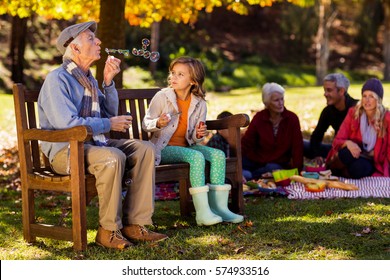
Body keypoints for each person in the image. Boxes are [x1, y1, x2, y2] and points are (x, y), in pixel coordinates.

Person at [37, 21, 167, 249]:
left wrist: (107, 82)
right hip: (64, 151)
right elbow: (66, 124)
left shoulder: (88, 80)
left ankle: (136, 224)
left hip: (94, 144)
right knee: (112, 156)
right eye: (90, 38)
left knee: (145, 149)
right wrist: (108, 123)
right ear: (75, 48)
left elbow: (108, 114)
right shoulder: (57, 79)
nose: (98, 41)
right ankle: (108, 230)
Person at [142, 56, 244, 226]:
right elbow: (146, 124)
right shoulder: (162, 97)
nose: (173, 77)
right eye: (173, 73)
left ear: (193, 81)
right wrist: (158, 123)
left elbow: (196, 137)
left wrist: (198, 133)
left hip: (187, 147)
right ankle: (203, 213)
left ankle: (219, 209)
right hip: (164, 148)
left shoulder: (200, 103)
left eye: (180, 74)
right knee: (196, 158)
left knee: (218, 155)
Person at [326, 78, 390, 179]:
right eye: (364, 96)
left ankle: (339, 172)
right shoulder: (353, 113)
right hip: (353, 153)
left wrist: (375, 154)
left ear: (378, 100)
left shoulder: (386, 118)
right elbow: (337, 140)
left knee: (358, 169)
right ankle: (333, 169)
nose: (367, 100)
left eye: (371, 96)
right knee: (346, 153)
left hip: (372, 160)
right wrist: (348, 143)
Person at [241, 82, 303, 180]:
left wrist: (297, 172)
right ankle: (251, 176)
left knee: (272, 168)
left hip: (277, 164)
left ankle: (252, 177)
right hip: (256, 161)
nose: (281, 103)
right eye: (276, 100)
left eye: (282, 99)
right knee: (242, 165)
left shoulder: (292, 119)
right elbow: (247, 142)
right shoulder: (259, 118)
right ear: (267, 103)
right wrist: (235, 160)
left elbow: (297, 147)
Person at [304, 73, 358, 165]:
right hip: (336, 148)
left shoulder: (357, 109)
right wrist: (317, 155)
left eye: (329, 90)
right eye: (324, 90)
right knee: (302, 144)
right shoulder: (328, 111)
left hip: (355, 151)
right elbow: (316, 136)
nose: (325, 94)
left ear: (341, 91)